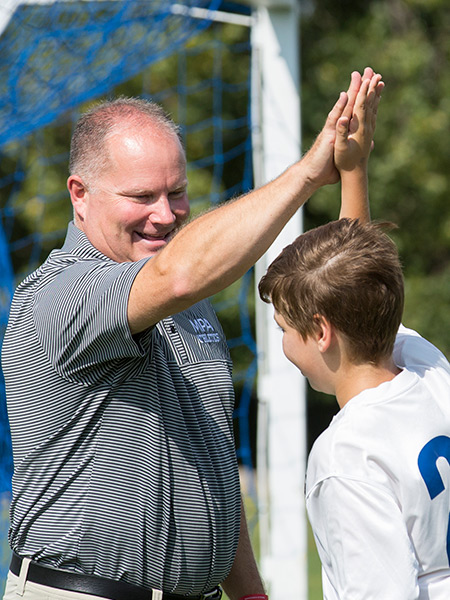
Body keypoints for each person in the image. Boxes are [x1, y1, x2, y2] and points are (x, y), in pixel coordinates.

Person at [1, 67, 383, 600]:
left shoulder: (186, 310)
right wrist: (309, 173)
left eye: (176, 192)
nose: (165, 214)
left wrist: (251, 594)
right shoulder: (60, 296)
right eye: (141, 196)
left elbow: (214, 470)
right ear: (79, 194)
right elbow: (176, 275)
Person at [258, 217, 450, 598]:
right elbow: (361, 286)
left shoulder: (346, 455)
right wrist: (354, 171)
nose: (285, 345)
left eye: (284, 329)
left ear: (320, 332)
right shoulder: (430, 369)